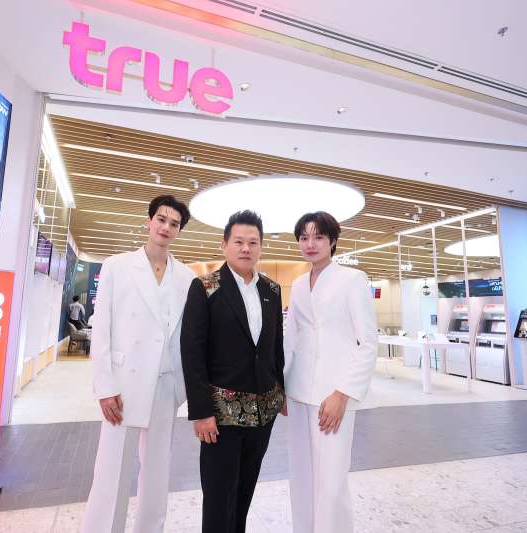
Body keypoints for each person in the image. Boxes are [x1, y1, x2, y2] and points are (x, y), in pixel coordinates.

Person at [81, 195, 196, 533]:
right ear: (148, 221)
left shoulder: (186, 276)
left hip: (165, 383)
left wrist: (182, 388)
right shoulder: (117, 266)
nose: (166, 227)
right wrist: (105, 386)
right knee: (112, 471)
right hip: (124, 384)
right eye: (161, 219)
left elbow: (185, 334)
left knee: (158, 472)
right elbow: (102, 330)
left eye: (174, 224)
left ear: (179, 231)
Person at [181, 210, 285, 533]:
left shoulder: (272, 290)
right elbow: (192, 352)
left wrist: (280, 390)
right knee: (218, 499)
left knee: (243, 494)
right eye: (238, 241)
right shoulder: (205, 287)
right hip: (220, 415)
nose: (245, 248)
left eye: (253, 242)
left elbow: (275, 346)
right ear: (224, 245)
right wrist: (201, 411)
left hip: (263, 412)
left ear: (261, 247)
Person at [284, 211, 378, 533]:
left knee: (332, 481)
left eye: (318, 237)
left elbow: (368, 342)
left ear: (333, 241)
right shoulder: (298, 284)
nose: (310, 244)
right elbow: (291, 338)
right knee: (302, 475)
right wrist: (282, 386)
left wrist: (343, 393)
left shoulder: (352, 279)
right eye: (304, 237)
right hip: (298, 391)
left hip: (333, 394)